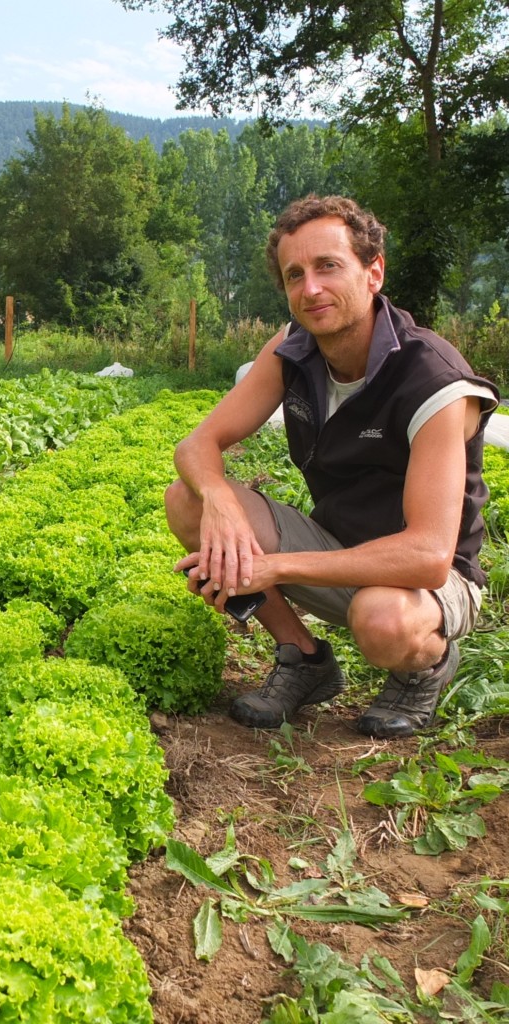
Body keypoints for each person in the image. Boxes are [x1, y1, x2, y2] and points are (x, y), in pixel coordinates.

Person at [166, 195, 499, 738]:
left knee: (381, 619)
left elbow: (428, 556)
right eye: (294, 274)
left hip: (425, 582)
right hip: (336, 546)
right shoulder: (294, 349)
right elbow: (197, 444)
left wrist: (272, 569)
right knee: (188, 500)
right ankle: (305, 660)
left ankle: (426, 670)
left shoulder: (433, 382)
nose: (310, 288)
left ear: (374, 272)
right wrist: (221, 505)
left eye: (328, 266)